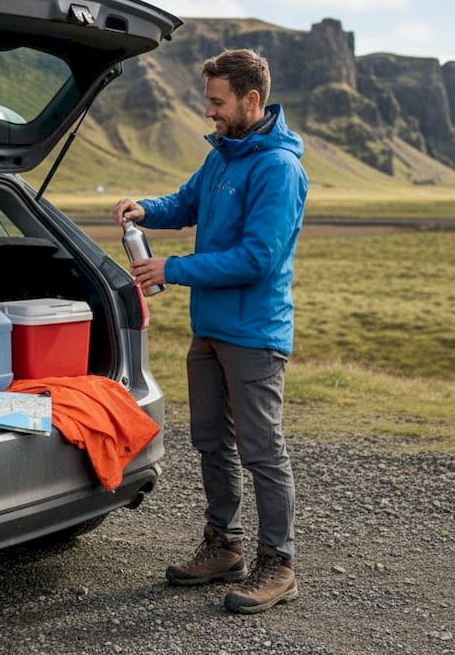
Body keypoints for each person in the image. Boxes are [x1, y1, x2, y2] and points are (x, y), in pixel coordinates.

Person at [112, 48, 308, 614]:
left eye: (218, 102)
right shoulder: (223, 155)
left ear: (251, 100)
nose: (209, 112)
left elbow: (257, 259)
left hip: (255, 334)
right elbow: (186, 202)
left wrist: (171, 269)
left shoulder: (278, 168)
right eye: (208, 101)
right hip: (211, 330)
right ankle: (224, 547)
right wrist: (146, 209)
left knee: (262, 451)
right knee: (211, 442)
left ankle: (279, 565)